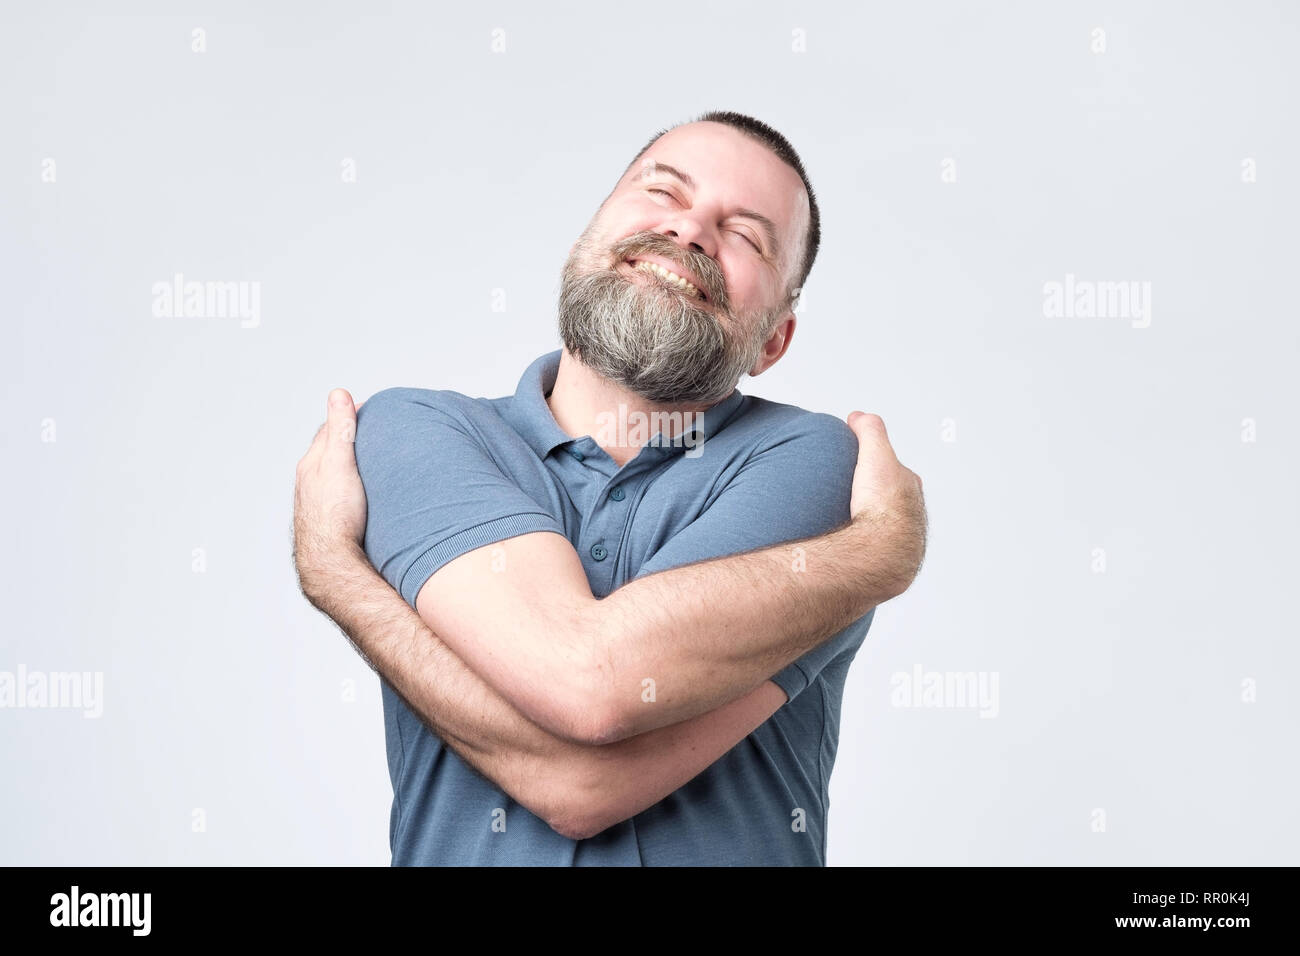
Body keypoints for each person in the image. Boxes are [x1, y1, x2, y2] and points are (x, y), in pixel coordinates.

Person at [293, 110, 928, 865]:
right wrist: (880, 552)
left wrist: (342, 579)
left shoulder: (815, 462)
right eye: (663, 192)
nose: (689, 232)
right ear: (584, 241)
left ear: (774, 341)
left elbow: (588, 746)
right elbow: (587, 712)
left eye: (747, 235)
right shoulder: (416, 429)